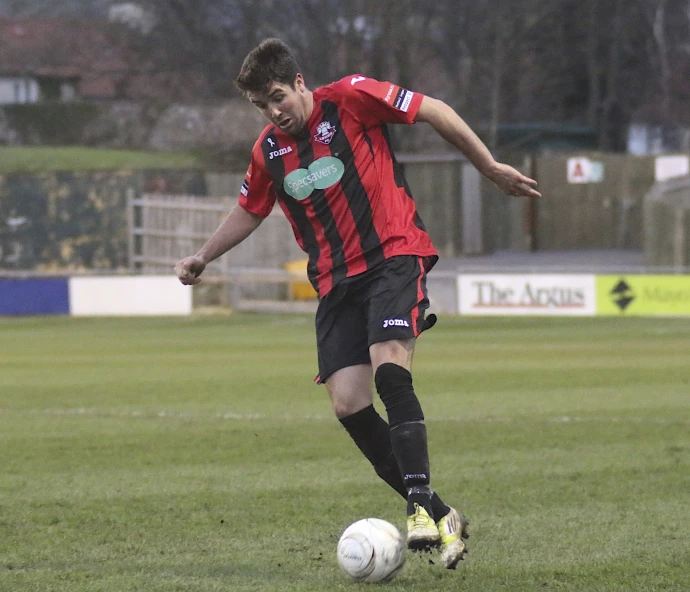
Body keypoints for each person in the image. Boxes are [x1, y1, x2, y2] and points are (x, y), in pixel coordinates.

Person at [174, 38, 541, 570]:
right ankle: (441, 513)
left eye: (278, 96)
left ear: (299, 83)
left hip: (393, 255)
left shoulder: (350, 97)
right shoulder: (268, 152)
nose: (274, 112)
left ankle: (416, 506)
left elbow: (432, 109)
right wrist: (203, 257)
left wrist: (486, 166)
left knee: (391, 367)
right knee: (349, 403)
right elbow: (250, 209)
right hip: (335, 282)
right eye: (261, 105)